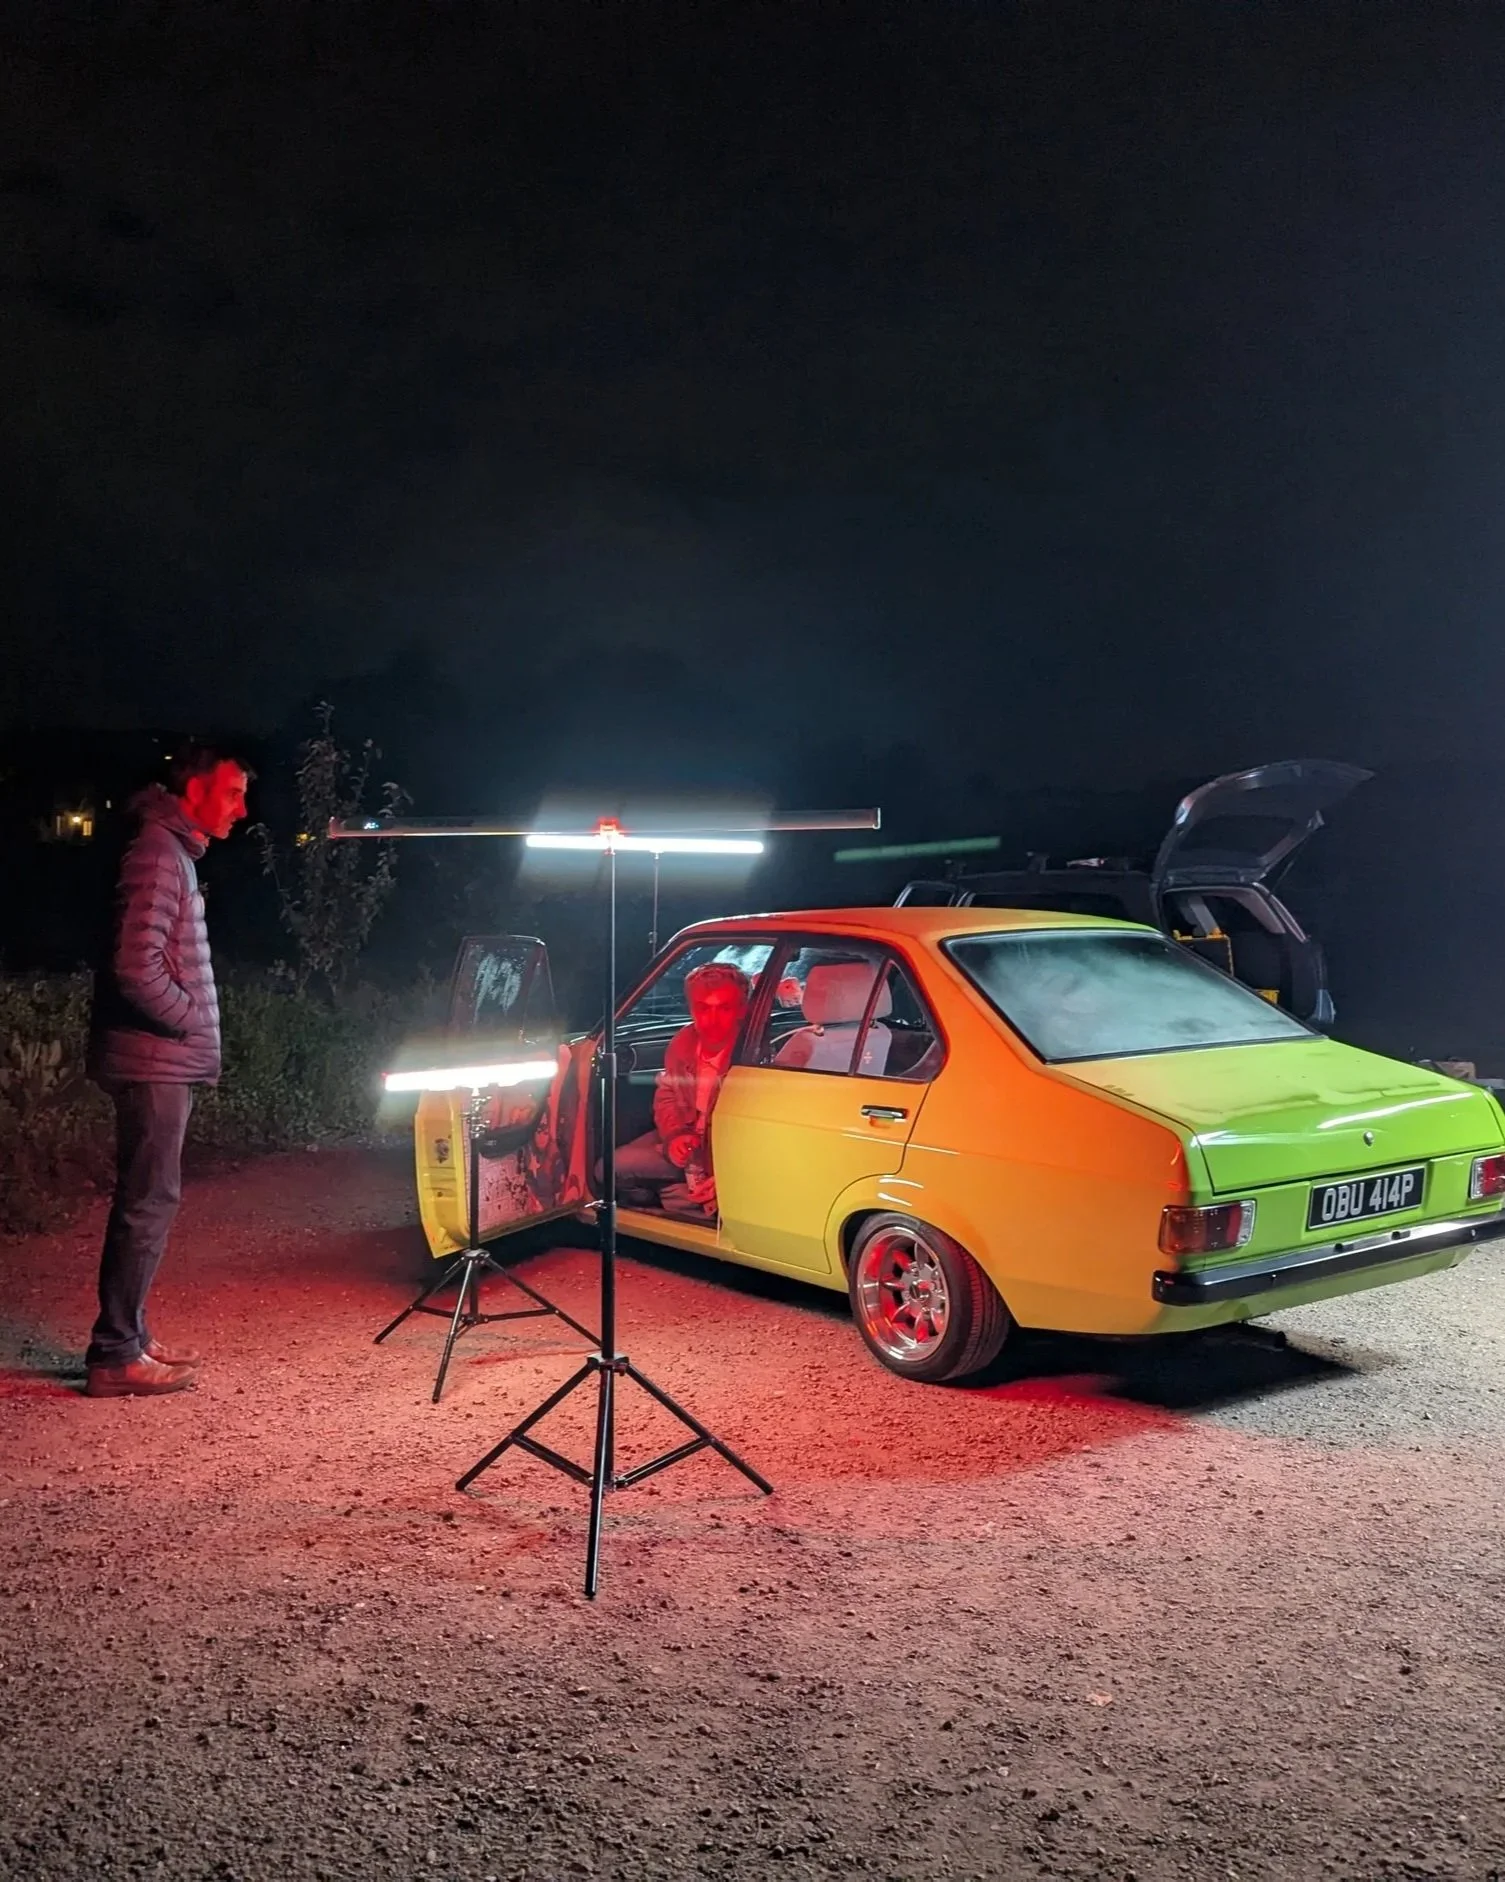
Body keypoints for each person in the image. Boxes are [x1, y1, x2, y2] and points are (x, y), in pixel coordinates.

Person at [83, 747, 251, 1398]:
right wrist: (187, 1019)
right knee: (147, 1203)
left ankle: (130, 1336)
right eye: (232, 793)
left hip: (161, 1058)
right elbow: (134, 965)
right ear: (193, 791)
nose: (241, 808)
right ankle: (115, 1352)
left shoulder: (171, 851)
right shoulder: (158, 852)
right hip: (154, 1060)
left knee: (149, 1201)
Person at [616, 961, 752, 1218]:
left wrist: (732, 1176)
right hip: (689, 1141)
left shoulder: (752, 1054)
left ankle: (690, 1205)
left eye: (724, 1008)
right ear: (690, 1008)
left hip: (725, 1154)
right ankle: (683, 1198)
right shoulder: (683, 1042)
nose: (711, 1020)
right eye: (702, 1008)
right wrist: (675, 1135)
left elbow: (762, 1135)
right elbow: (666, 1095)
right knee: (610, 1169)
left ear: (742, 1010)